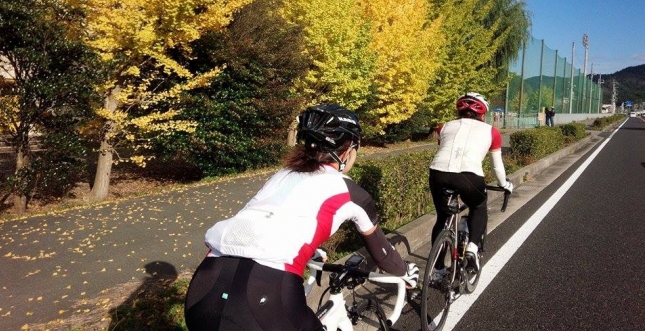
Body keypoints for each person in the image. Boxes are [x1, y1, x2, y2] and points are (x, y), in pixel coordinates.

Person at [184, 103, 420, 331]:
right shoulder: (352, 194)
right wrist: (404, 272)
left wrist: (309, 250)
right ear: (348, 151)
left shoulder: (282, 176)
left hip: (204, 288)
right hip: (264, 295)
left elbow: (266, 218)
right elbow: (384, 256)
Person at [428, 92, 513, 274]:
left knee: (442, 218)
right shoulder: (492, 132)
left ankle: (437, 270)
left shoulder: (443, 127)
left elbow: (447, 150)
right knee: (479, 205)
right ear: (483, 114)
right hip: (469, 176)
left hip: (438, 173)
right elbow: (497, 167)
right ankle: (473, 247)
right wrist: (504, 184)